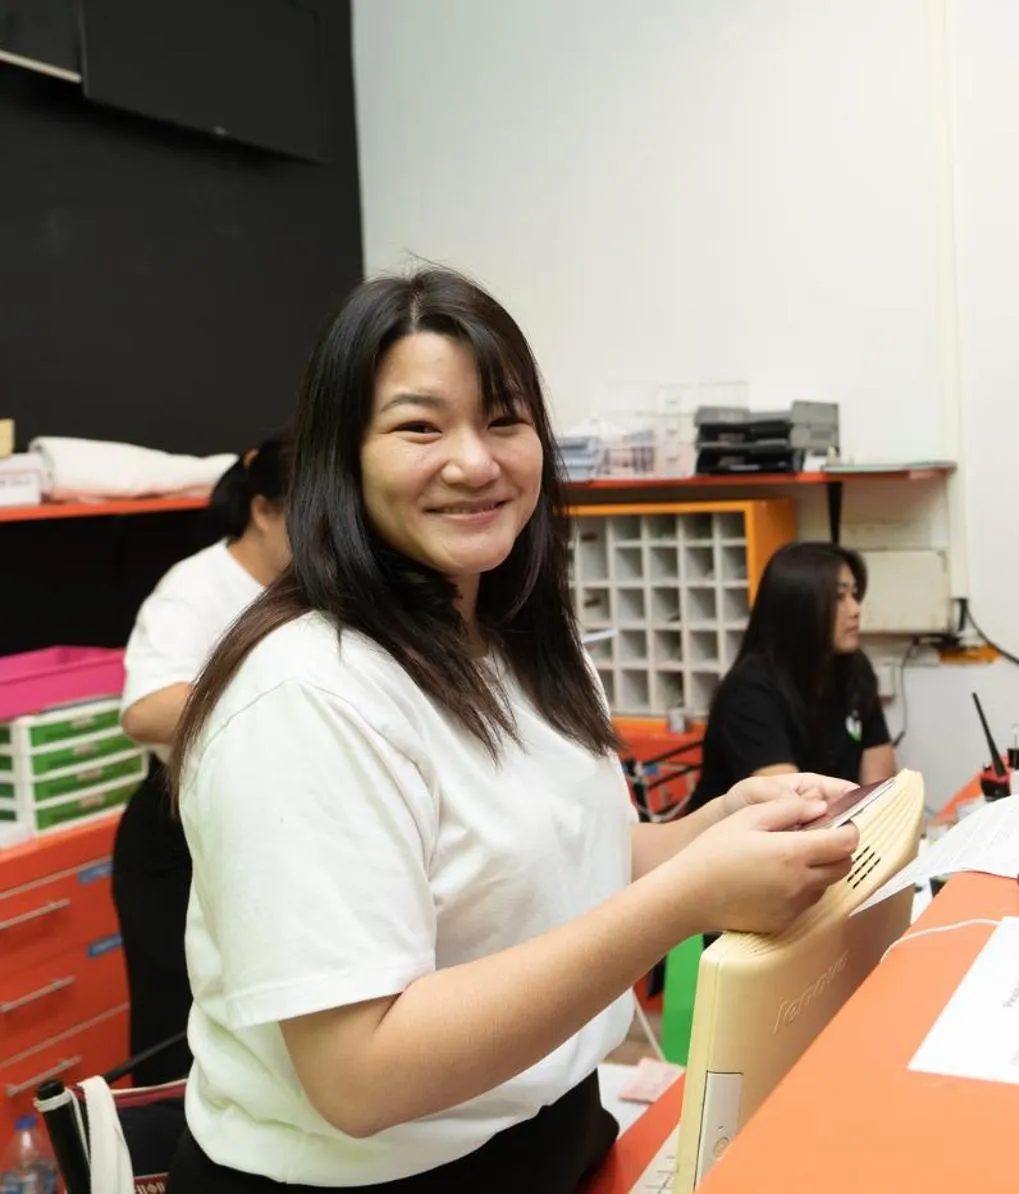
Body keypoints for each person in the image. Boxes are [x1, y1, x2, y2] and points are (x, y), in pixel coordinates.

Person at [164, 268, 859, 1193]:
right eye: (420, 426)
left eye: (503, 420)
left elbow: (556, 858)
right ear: (341, 456)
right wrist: (690, 898)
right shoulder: (305, 695)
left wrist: (719, 826)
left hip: (552, 1127)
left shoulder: (519, 634)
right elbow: (360, 1075)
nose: (475, 462)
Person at [114, 434, 291, 1084]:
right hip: (178, 835)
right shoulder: (195, 587)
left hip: (270, 828)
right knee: (182, 1047)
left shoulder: (315, 584)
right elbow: (146, 710)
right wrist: (290, 698)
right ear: (264, 508)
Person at [690, 541, 896, 811]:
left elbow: (881, 792)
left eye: (854, 594)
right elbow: (792, 812)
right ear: (800, 607)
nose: (855, 608)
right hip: (741, 846)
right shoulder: (750, 692)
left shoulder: (854, 668)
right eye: (838, 597)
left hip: (831, 833)